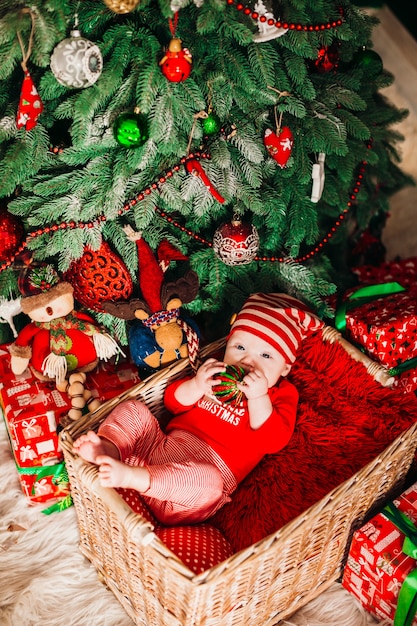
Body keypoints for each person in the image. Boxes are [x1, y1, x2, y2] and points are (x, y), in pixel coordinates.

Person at [73, 292, 323, 525]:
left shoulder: (280, 393)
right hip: (158, 449)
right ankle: (109, 449)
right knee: (135, 409)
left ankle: (132, 478)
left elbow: (273, 441)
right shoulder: (214, 373)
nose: (248, 361)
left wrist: (258, 397)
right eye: (240, 347)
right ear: (227, 345)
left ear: (285, 368)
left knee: (209, 482)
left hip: (186, 491)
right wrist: (197, 385)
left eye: (266, 356)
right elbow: (172, 402)